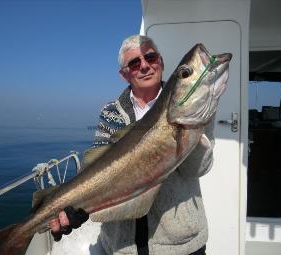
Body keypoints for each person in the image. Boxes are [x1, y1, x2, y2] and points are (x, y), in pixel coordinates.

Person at [50, 35, 215, 255]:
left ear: (161, 62)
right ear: (125, 74)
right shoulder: (110, 113)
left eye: (150, 57)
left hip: (180, 245)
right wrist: (80, 207)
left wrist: (192, 129)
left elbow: (198, 169)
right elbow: (99, 167)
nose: (145, 66)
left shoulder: (194, 105)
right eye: (135, 63)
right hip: (123, 246)